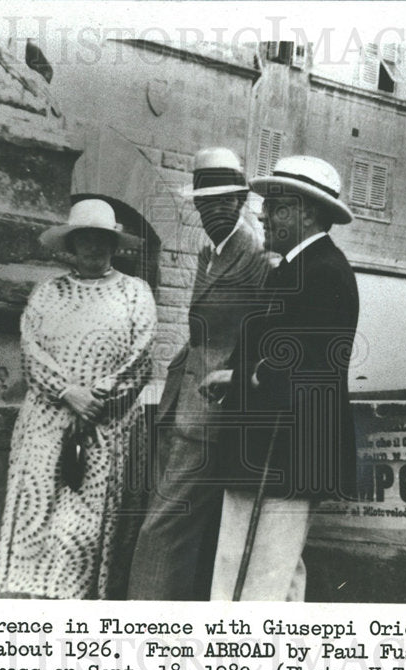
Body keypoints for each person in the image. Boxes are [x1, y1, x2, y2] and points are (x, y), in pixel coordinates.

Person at [203, 155, 360, 601]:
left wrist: (243, 377)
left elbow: (313, 368)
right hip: (272, 449)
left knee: (256, 576)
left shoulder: (325, 272)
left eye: (275, 207)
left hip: (284, 452)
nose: (262, 214)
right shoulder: (294, 269)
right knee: (277, 575)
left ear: (307, 212)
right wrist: (236, 376)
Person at [0, 199, 157, 599]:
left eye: (103, 240)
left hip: (104, 425)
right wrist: (68, 392)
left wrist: (97, 398)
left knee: (82, 527)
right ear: (71, 243)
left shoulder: (135, 293)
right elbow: (30, 349)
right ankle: (30, 605)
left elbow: (142, 354)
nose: (94, 248)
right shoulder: (47, 293)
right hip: (47, 423)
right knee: (38, 516)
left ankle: (75, 607)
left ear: (114, 245)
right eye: (85, 239)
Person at [128, 147, 271, 600]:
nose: (210, 212)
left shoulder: (255, 256)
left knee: (163, 527)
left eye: (221, 202)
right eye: (203, 203)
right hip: (183, 400)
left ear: (241, 201)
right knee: (174, 523)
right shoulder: (210, 250)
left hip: (213, 412)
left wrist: (232, 378)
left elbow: (263, 335)